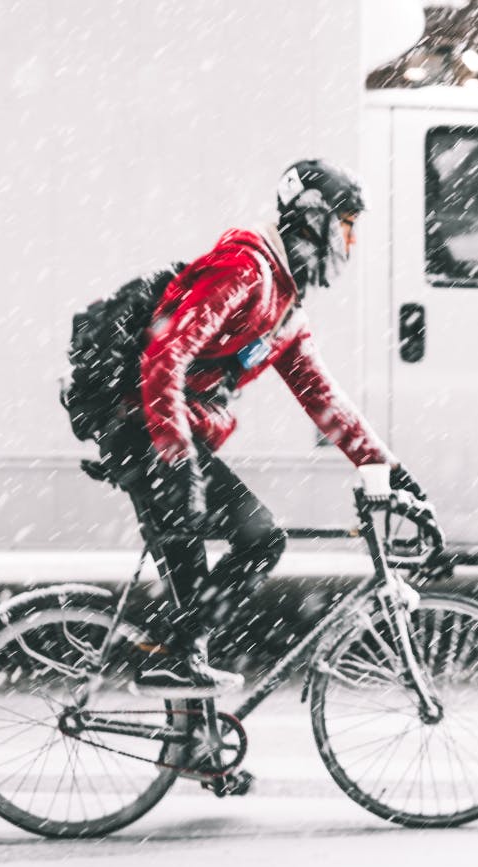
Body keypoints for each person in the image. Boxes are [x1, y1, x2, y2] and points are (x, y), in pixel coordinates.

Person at [101, 159, 435, 698]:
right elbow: (166, 353)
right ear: (313, 219)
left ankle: (193, 738)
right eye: (346, 224)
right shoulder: (245, 272)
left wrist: (392, 474)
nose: (350, 241)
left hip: (168, 436)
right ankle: (175, 657)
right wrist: (177, 459)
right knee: (260, 540)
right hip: (147, 432)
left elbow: (324, 401)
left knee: (189, 629)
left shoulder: (284, 304)